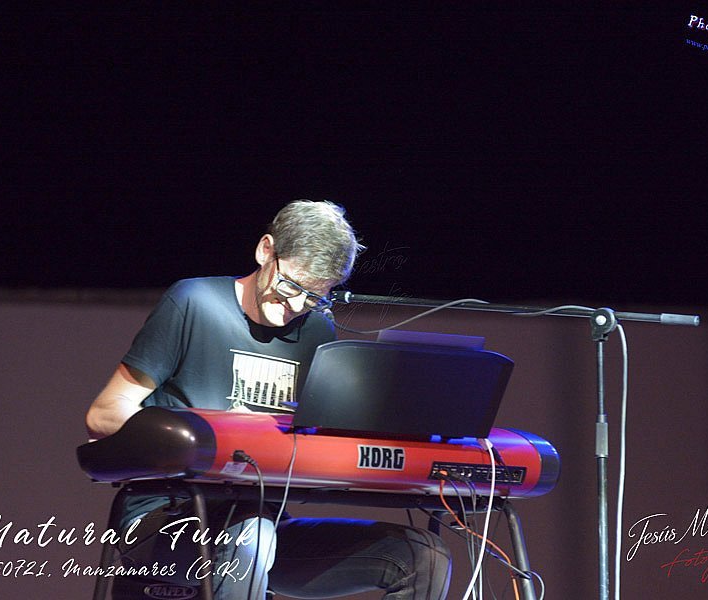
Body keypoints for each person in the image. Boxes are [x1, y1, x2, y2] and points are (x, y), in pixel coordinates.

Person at [86, 200, 452, 600]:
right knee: (253, 537)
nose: (295, 306)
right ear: (265, 250)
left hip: (263, 527)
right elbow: (105, 415)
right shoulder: (193, 301)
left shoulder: (316, 331)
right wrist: (212, 434)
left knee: (423, 556)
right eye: (291, 285)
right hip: (166, 520)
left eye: (314, 297)